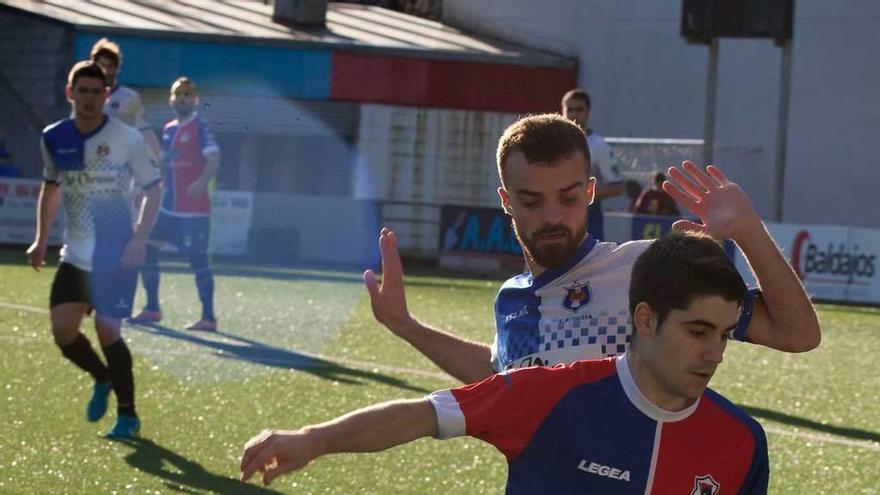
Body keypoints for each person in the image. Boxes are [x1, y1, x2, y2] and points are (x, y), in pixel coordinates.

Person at [240, 232, 769, 494]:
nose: (715, 353)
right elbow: (424, 414)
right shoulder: (550, 394)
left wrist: (743, 225)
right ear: (647, 319)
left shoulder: (743, 441)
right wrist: (312, 439)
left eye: (724, 334)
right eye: (698, 332)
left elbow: (799, 332)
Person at [363, 114, 820, 384]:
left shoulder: (646, 269)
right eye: (531, 200)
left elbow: (797, 334)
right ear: (506, 201)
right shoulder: (513, 300)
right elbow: (498, 372)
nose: (552, 217)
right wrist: (405, 325)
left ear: (591, 192)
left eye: (567, 196)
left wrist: (748, 230)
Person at [26, 61, 161, 438]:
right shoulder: (54, 137)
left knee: (106, 329)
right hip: (76, 254)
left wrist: (139, 238)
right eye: (81, 91)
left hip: (117, 252)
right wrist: (41, 239)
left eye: (96, 91)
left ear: (106, 95)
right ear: (70, 93)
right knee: (63, 332)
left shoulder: (127, 138)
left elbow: (153, 189)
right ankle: (102, 378)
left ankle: (128, 416)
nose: (89, 98)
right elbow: (51, 187)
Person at [128, 77, 221, 331]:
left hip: (194, 212)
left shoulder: (200, 126)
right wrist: (148, 190)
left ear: (195, 100)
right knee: (147, 248)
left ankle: (209, 317)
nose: (182, 99)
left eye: (187, 95)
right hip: (168, 208)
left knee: (197, 261)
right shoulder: (168, 129)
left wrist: (201, 182)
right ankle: (152, 308)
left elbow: (213, 158)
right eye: (178, 94)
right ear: (171, 99)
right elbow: (163, 166)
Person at [561, 88, 624, 240]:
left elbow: (618, 187)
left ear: (588, 112)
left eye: (579, 110)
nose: (574, 114)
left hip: (587, 215)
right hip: (557, 212)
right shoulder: (553, 144)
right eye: (570, 109)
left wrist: (581, 194)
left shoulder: (599, 146)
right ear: (563, 110)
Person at [89, 38, 161, 161]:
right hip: (92, 163)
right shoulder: (86, 96)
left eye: (110, 66)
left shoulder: (129, 97)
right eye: (101, 66)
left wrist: (158, 160)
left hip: (120, 165)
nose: (105, 71)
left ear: (117, 68)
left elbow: (144, 130)